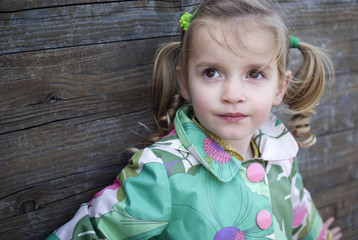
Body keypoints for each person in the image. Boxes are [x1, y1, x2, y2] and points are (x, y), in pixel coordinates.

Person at [47, 0, 343, 239]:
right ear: (184, 82)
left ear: (280, 87)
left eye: (254, 74)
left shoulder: (279, 152)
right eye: (211, 72)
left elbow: (296, 211)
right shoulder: (162, 171)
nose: (232, 94)